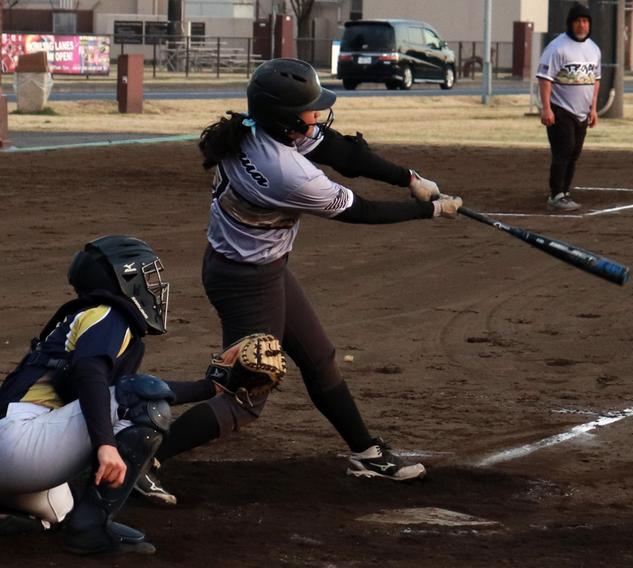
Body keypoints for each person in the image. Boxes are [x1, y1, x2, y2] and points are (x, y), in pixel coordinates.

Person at [135, 58, 462, 506]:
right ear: (286, 119)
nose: (316, 115)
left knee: (319, 358)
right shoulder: (288, 173)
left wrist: (408, 178)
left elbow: (343, 151)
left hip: (258, 270)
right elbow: (361, 211)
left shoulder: (254, 130)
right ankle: (142, 460)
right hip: (246, 281)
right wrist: (430, 210)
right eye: (308, 110)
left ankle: (365, 452)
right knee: (246, 396)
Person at [0, 235, 216, 554]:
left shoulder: (84, 317)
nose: (153, 286)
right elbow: (92, 375)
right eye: (145, 276)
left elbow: (106, 389)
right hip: (20, 446)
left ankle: (16, 511)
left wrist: (211, 387)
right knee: (144, 401)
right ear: (125, 279)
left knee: (58, 509)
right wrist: (105, 444)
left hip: (16, 449)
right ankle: (91, 530)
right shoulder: (109, 314)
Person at [536, 2, 601, 212]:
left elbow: (595, 80)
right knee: (562, 151)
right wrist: (546, 108)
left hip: (582, 112)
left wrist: (593, 109)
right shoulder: (557, 47)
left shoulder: (593, 49)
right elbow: (545, 80)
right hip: (560, 109)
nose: (582, 25)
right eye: (578, 21)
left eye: (585, 21)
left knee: (574, 153)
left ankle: (565, 191)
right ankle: (555, 195)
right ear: (570, 24)